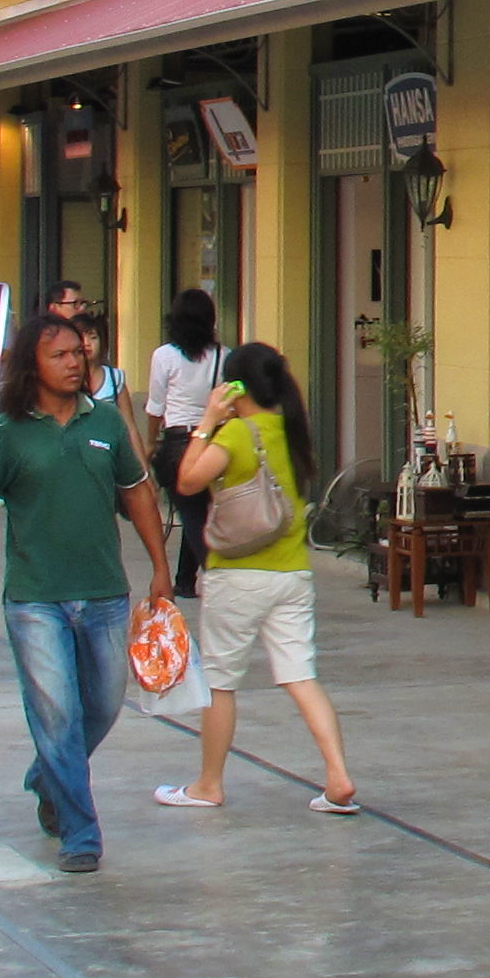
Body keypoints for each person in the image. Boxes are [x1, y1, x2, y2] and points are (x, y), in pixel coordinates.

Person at [0, 309, 172, 878]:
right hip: (35, 598)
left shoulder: (106, 423)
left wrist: (160, 566)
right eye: (60, 355)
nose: (75, 363)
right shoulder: (8, 430)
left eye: (80, 353)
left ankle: (47, 776)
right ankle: (80, 832)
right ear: (33, 365)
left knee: (102, 704)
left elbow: (138, 494)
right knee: (56, 716)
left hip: (103, 592)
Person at [154, 339, 358, 813]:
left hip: (238, 575)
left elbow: (186, 481)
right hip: (292, 574)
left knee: (221, 682)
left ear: (236, 385)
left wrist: (206, 421)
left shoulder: (237, 435)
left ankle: (208, 784)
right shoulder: (292, 431)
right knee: (301, 674)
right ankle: (338, 776)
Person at [146, 288, 229, 597]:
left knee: (191, 513)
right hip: (213, 440)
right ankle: (185, 578)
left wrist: (151, 441)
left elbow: (155, 406)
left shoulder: (164, 355)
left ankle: (214, 576)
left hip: (177, 440)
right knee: (199, 510)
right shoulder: (224, 356)